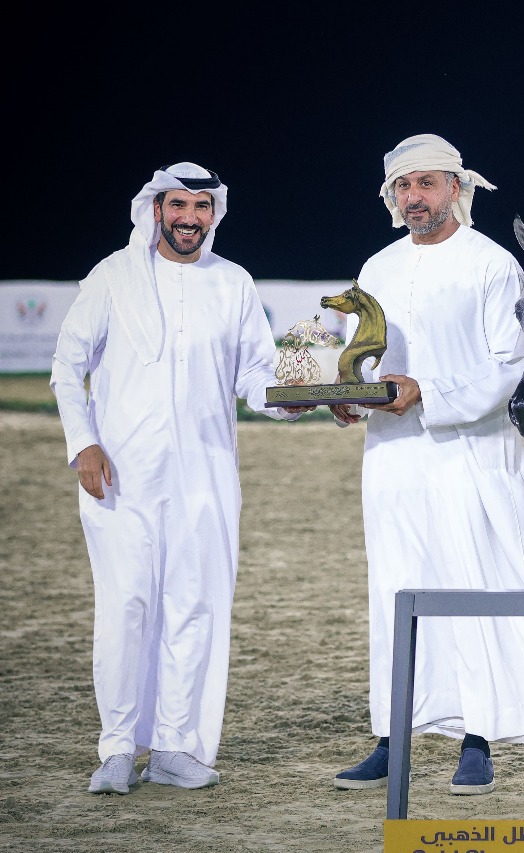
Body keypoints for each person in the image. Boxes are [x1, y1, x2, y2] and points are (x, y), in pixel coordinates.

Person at [51, 162, 308, 795]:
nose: (189, 218)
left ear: (214, 214)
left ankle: (175, 747)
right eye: (177, 206)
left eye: (201, 207)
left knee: (195, 609)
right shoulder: (114, 275)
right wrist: (83, 443)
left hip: (207, 476)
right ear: (155, 209)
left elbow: (253, 379)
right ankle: (116, 749)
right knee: (126, 608)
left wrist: (294, 398)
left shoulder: (234, 283)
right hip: (120, 479)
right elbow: (66, 365)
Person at [330, 134, 524, 794]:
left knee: (470, 592)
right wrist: (347, 399)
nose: (414, 197)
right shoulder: (375, 267)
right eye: (403, 187)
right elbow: (365, 360)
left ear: (457, 190)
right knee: (394, 591)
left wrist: (427, 394)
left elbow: (507, 370)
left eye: (427, 184)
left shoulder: (492, 265)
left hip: (468, 456)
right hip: (391, 460)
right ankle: (391, 733)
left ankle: (479, 737)